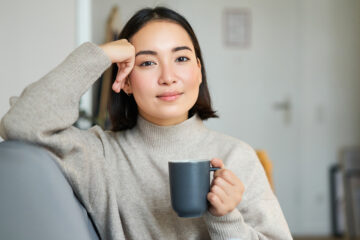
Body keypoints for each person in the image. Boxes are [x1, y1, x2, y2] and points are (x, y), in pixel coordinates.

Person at [0, 6, 292, 240]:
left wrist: (226, 217)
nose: (168, 77)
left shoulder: (236, 157)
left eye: (181, 58)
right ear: (125, 80)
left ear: (199, 71)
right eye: (147, 62)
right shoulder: (100, 155)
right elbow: (21, 123)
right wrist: (99, 56)